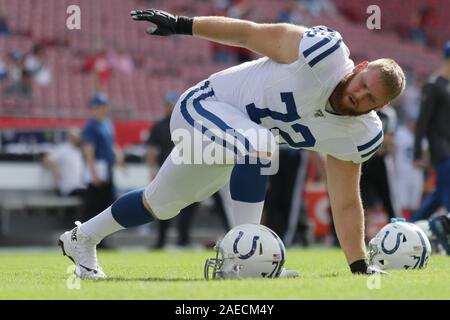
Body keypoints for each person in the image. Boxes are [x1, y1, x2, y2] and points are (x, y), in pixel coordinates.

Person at [59, 9, 406, 279]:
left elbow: (345, 201)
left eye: (369, 97)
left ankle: (81, 238)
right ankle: (246, 255)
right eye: (362, 83)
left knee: (159, 204)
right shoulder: (323, 53)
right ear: (359, 67)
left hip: (230, 143)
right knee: (261, 143)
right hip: (205, 106)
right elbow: (248, 33)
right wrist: (182, 25)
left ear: (380, 107)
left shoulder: (360, 134)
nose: (358, 94)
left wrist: (359, 266)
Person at [147, 91, 198, 249]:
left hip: (187, 171)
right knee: (164, 206)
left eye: (172, 105)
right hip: (167, 172)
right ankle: (160, 241)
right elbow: (151, 149)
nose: (170, 108)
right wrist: (152, 170)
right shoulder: (159, 126)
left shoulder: (188, 124)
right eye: (168, 105)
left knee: (188, 207)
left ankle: (184, 239)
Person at [412, 41, 450, 222]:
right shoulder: (434, 85)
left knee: (438, 196)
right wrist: (417, 152)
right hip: (440, 147)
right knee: (447, 192)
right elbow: (422, 121)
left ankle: (408, 229)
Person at [81, 93, 123, 223]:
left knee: (106, 203)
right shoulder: (91, 127)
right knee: (94, 204)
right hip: (98, 166)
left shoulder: (107, 124)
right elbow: (89, 151)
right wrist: (93, 173)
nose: (103, 109)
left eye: (105, 106)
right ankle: (87, 235)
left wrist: (119, 156)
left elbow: (111, 143)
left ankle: (103, 239)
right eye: (100, 106)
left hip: (108, 166)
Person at [42, 128, 85, 197]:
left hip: (79, 187)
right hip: (69, 188)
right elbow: (46, 160)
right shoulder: (63, 148)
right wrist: (55, 168)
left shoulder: (78, 151)